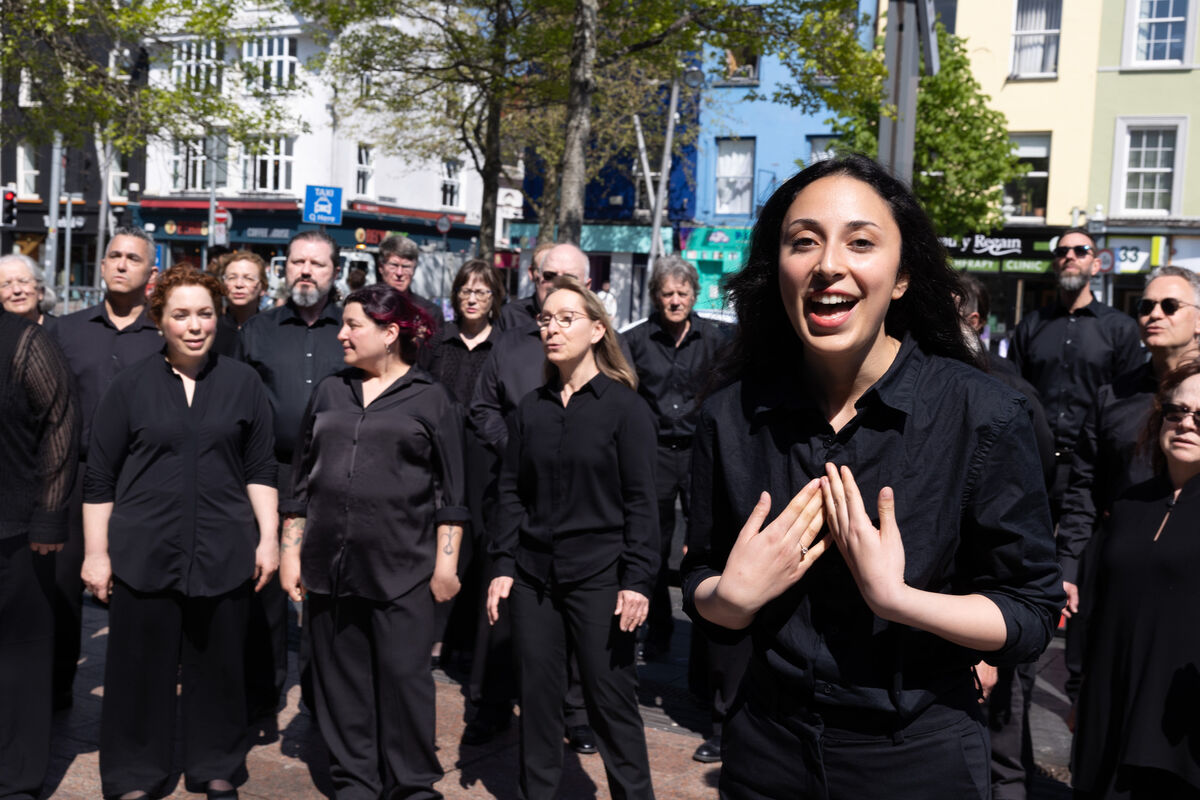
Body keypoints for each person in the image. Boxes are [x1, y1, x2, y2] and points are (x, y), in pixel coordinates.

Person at [680, 154, 1064, 799]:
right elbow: (700, 578)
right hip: (765, 750)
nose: (829, 263)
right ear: (778, 268)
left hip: (919, 755)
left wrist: (901, 601)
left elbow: (1030, 612)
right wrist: (731, 598)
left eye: (861, 241)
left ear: (904, 274)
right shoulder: (729, 417)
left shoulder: (985, 415)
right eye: (803, 241)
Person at [82, 266, 278, 800]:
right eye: (182, 315)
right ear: (160, 320)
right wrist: (96, 553)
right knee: (137, 671)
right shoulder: (129, 386)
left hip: (223, 546)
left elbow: (261, 468)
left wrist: (269, 538)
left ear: (219, 317)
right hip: (144, 548)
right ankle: (134, 774)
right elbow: (99, 476)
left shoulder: (243, 383)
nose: (195, 326)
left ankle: (215, 764)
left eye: (205, 314)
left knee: (218, 667)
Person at [281, 284, 467, 800]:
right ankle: (355, 779)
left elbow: (452, 492)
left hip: (403, 566)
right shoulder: (329, 390)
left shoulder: (430, 397)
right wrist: (289, 551)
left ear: (390, 334)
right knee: (341, 681)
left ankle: (411, 783)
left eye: (353, 325)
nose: (341, 334)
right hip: (329, 565)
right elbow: (299, 481)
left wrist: (446, 565)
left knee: (406, 680)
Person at [487, 275, 659, 800]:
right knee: (537, 704)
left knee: (610, 705)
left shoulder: (624, 407)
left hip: (601, 578)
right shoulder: (531, 409)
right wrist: (501, 566)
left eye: (566, 318)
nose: (552, 329)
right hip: (535, 579)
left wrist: (638, 580)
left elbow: (641, 502)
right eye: (545, 319)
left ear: (596, 330)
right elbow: (512, 493)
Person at [469, 242, 598, 752]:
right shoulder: (511, 341)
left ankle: (576, 712)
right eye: (549, 276)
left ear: (588, 286)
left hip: (580, 504)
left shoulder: (602, 341)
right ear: (533, 277)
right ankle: (491, 705)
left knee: (573, 609)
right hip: (515, 497)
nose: (558, 283)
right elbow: (481, 410)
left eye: (571, 277)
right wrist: (521, 451)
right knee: (502, 608)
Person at [1057, 265, 1200, 705]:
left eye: (1169, 305)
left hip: (1188, 575)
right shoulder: (1113, 396)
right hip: (1118, 565)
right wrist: (1070, 566)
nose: (1154, 314)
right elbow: (1084, 487)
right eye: (1145, 306)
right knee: (1100, 688)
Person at [620, 254, 740, 763]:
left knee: (704, 546)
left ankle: (698, 654)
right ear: (656, 296)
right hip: (651, 452)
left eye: (683, 293)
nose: (675, 300)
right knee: (649, 541)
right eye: (667, 293)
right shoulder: (634, 340)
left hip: (698, 452)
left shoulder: (716, 339)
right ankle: (660, 631)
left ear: (694, 295)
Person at [1071, 359, 1200, 799]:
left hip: (1179, 724)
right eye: (1176, 411)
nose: (1186, 423)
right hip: (1107, 709)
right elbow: (1094, 605)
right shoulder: (1129, 504)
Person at [52, 226, 163, 711]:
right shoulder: (65, 329)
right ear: (100, 266)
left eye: (132, 258)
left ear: (150, 273)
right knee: (59, 592)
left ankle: (135, 699)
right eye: (113, 256)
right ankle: (54, 691)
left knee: (138, 596)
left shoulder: (165, 336)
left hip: (141, 482)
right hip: (71, 480)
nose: (120, 264)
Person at [237, 229, 346, 719]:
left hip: (336, 474)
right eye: (298, 262)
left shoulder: (352, 330)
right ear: (285, 267)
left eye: (317, 264)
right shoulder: (256, 331)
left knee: (326, 587)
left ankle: (324, 700)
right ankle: (263, 695)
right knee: (265, 587)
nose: (306, 271)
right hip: (270, 473)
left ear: (335, 272)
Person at [960, 273, 1055, 800]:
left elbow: (1041, 499)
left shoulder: (1010, 395)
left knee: (1002, 745)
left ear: (974, 323)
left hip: (997, 603)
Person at [1007, 227, 1144, 520]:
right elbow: (1012, 394)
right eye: (1062, 252)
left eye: (1080, 251)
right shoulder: (1031, 326)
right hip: (1034, 464)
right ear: (1055, 263)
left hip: (1093, 470)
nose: (1069, 256)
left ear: (1096, 264)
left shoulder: (1120, 329)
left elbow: (1129, 406)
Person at [0, 308, 78, 800]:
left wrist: (49, 517)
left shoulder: (25, 340)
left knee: (19, 659)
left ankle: (16, 781)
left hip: (16, 526)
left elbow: (61, 424)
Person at [423, 259, 506, 668]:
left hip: (484, 458)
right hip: (437, 455)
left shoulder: (504, 347)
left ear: (494, 300)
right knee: (438, 540)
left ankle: (470, 638)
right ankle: (436, 635)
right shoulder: (437, 344)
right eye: (465, 291)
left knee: (478, 543)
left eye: (481, 292)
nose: (472, 299)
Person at [377, 234, 443, 332]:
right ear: (381, 267)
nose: (399, 273)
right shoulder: (364, 305)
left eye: (406, 266)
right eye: (394, 265)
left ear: (414, 270)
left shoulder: (430, 313)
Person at [209, 250, 268, 356]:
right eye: (232, 278)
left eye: (248, 278)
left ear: (263, 288)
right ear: (223, 284)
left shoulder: (271, 331)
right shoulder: (210, 328)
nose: (239, 284)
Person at [497, 241, 557, 332]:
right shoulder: (509, 315)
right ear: (532, 273)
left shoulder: (579, 317)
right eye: (549, 275)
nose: (556, 282)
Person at [0, 253, 57, 333]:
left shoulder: (63, 332)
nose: (17, 290)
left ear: (40, 291)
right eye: (6, 284)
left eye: (23, 281)